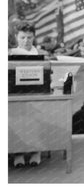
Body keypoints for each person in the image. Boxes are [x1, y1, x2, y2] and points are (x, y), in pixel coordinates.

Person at [9, 22, 47, 167]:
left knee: (35, 122)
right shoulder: (9, 53)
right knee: (17, 122)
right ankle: (18, 153)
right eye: (22, 37)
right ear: (16, 37)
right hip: (15, 94)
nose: (26, 41)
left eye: (29, 37)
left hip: (36, 93)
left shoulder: (40, 54)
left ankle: (35, 152)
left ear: (34, 37)